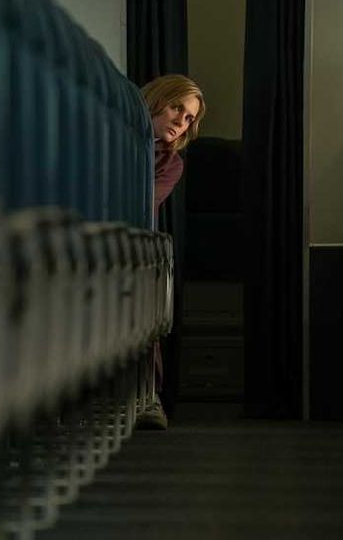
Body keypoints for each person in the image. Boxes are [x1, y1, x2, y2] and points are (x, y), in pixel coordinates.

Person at [135, 74, 205, 430]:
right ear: (156, 100)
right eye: (177, 107)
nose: (181, 121)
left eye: (190, 117)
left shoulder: (170, 163)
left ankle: (148, 396)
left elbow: (138, 205)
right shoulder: (109, 135)